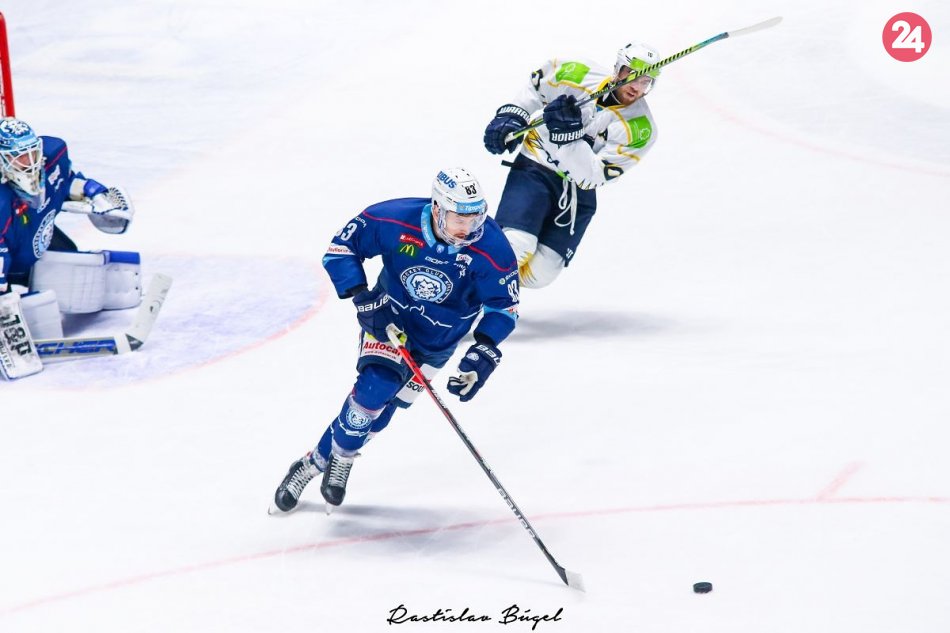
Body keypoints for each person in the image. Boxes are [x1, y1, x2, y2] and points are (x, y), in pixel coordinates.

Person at [271, 167, 520, 513]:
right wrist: (364, 298)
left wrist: (484, 348)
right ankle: (339, 458)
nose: (469, 228)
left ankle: (313, 461)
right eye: (459, 219)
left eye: (475, 218)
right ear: (437, 209)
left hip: (438, 342)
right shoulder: (395, 219)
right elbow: (341, 248)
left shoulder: (492, 248)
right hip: (390, 322)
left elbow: (504, 307)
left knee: (387, 409)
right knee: (377, 386)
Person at [482, 42, 661, 288]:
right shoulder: (578, 72)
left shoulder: (641, 129)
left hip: (577, 192)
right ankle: (474, 291)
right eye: (631, 74)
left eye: (646, 81)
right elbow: (537, 86)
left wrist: (568, 138)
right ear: (618, 68)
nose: (636, 86)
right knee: (516, 246)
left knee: (539, 275)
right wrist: (513, 115)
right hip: (537, 164)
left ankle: (486, 274)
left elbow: (592, 177)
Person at [0, 116, 139, 343]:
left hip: (29, 243)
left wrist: (93, 191)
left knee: (75, 263)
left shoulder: (52, 157)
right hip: (7, 257)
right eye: (19, 157)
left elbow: (66, 180)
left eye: (32, 153)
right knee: (16, 305)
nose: (30, 162)